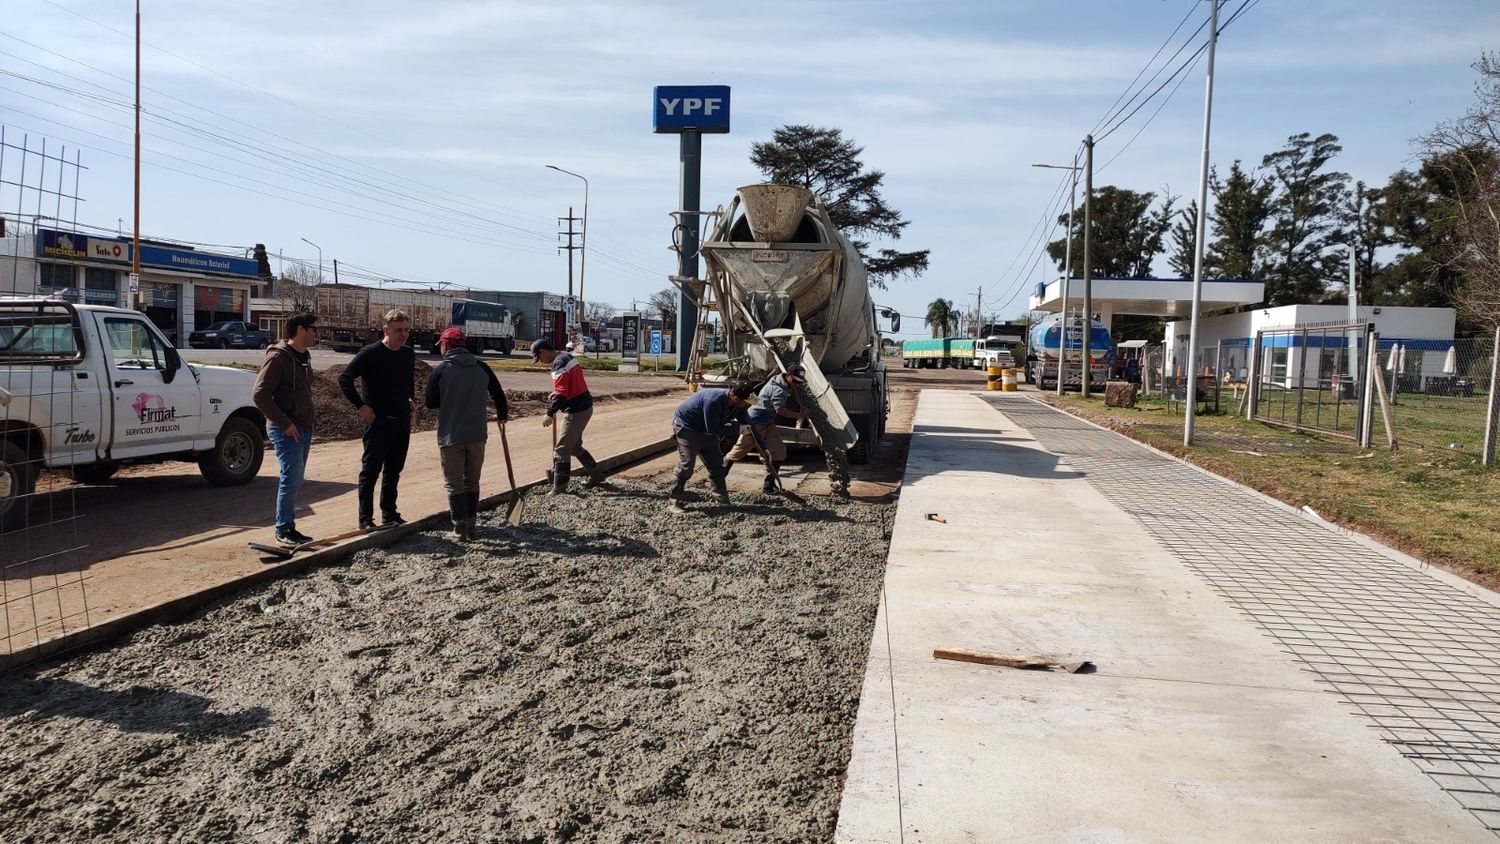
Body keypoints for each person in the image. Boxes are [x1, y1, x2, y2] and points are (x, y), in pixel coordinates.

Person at [426, 327, 508, 540]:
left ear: (445, 345)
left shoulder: (441, 370)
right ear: (464, 345)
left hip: (450, 435)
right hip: (477, 434)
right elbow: (499, 394)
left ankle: (459, 527)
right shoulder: (482, 367)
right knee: (472, 481)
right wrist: (502, 415)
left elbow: (430, 403)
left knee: (454, 483)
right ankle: (471, 525)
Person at [338, 309, 415, 531]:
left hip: (401, 421)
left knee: (393, 470)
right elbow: (345, 378)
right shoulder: (370, 353)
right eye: (398, 330)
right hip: (378, 423)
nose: (403, 335)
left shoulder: (407, 354)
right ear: (386, 330)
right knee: (370, 472)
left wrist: (410, 397)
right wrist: (360, 406)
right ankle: (365, 519)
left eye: (406, 330)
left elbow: (408, 379)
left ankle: (389, 513)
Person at [253, 312, 320, 545]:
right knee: (290, 478)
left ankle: (289, 527)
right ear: (300, 329)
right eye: (313, 328)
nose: (316, 333)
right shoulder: (278, 358)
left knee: (297, 478)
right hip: (285, 429)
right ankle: (284, 529)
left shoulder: (304, 356)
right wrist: (284, 422)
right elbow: (260, 394)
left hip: (304, 426)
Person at [531, 337, 603, 494]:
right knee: (575, 447)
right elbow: (568, 384)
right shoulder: (566, 356)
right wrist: (556, 393)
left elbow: (562, 394)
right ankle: (596, 475)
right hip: (584, 405)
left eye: (539, 357)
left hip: (576, 410)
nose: (540, 361)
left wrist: (550, 413)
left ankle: (560, 487)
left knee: (562, 449)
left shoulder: (558, 364)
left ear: (543, 352)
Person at [725, 364, 809, 493]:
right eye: (796, 382)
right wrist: (799, 415)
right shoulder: (779, 389)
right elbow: (780, 410)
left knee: (779, 451)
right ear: (789, 376)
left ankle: (769, 485)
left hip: (767, 423)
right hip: (753, 423)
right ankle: (718, 479)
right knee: (738, 451)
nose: (796, 385)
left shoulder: (779, 379)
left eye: (799, 383)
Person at [668, 383, 753, 509]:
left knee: (717, 465)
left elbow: (747, 421)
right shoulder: (713, 401)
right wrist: (737, 428)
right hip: (688, 428)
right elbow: (712, 429)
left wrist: (757, 436)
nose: (748, 405)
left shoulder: (738, 405)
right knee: (686, 465)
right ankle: (674, 501)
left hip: (707, 429)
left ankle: (722, 500)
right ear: (735, 398)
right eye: (746, 402)